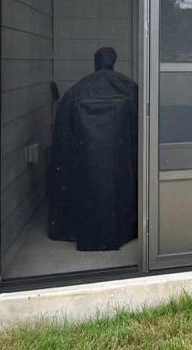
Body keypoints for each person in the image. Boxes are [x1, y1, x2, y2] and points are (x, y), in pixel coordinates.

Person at [49, 47, 138, 251]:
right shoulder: (130, 88)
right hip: (121, 162)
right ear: (114, 61)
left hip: (85, 162)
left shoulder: (76, 91)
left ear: (96, 62)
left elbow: (62, 140)